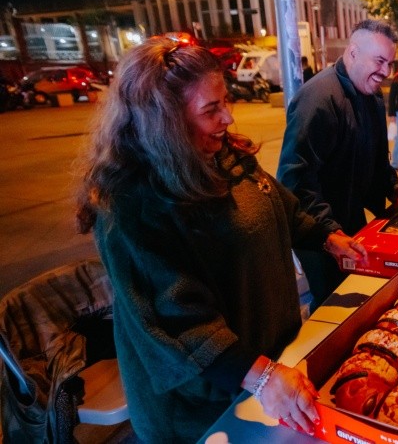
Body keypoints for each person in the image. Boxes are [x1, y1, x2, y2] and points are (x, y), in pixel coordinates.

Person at [74, 38, 368, 441]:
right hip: (201, 402)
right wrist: (260, 376)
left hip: (265, 369)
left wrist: (327, 236)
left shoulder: (219, 153)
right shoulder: (132, 205)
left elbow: (278, 207)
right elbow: (180, 321)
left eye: (225, 101)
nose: (228, 118)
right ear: (164, 123)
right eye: (210, 110)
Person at [277, 19, 398, 304]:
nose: (385, 72)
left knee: (357, 294)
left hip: (350, 218)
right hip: (319, 231)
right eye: (379, 61)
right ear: (352, 53)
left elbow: (376, 158)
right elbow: (295, 179)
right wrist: (327, 231)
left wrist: (394, 189)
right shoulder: (317, 99)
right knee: (332, 302)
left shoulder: (372, 95)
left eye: (389, 63)